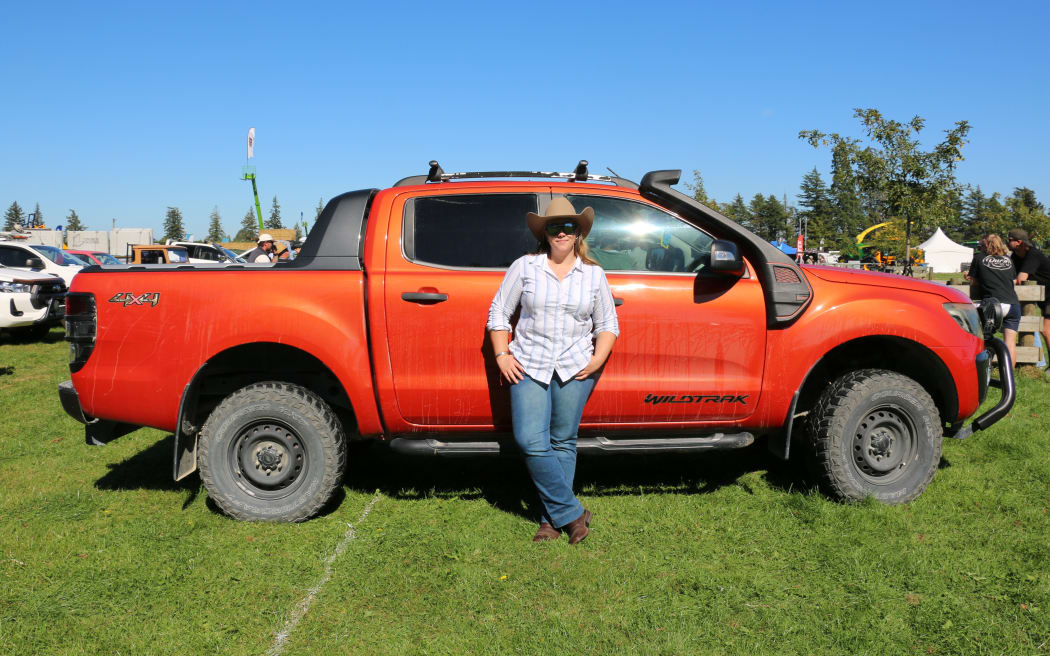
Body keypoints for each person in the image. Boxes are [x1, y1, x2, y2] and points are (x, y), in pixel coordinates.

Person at [487, 197, 619, 545]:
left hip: (577, 366)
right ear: (544, 233)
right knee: (530, 440)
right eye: (554, 226)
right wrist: (502, 354)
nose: (561, 232)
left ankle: (549, 521)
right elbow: (499, 313)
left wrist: (597, 359)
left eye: (569, 226)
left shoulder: (593, 274)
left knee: (562, 441)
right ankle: (574, 513)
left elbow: (607, 324)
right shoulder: (525, 267)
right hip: (529, 362)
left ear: (579, 233)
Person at [969, 234, 1020, 366]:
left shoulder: (979, 258)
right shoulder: (1008, 259)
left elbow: (974, 281)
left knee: (984, 339)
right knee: (1010, 343)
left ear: (985, 244)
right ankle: (1009, 375)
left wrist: (968, 277)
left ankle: (983, 370)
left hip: (993, 304)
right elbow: (1014, 281)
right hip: (1013, 304)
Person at [1008, 228, 1050, 369]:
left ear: (1018, 242)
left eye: (1010, 239)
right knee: (1027, 322)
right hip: (1036, 294)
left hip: (1048, 294)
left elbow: (1021, 279)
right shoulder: (1015, 256)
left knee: (1045, 329)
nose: (1007, 242)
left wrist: (1001, 283)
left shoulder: (1033, 255)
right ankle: (1035, 363)